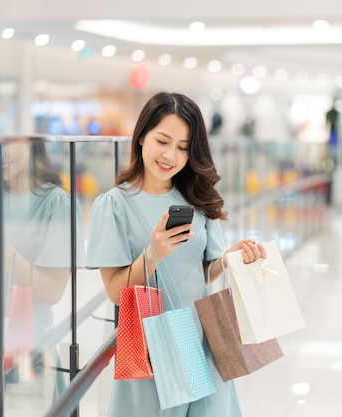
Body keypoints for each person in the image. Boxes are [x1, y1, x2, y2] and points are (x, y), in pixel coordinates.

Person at [85, 92, 266, 417]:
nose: (171, 155)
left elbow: (203, 270)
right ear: (141, 137)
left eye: (183, 147)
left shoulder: (198, 199)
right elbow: (115, 291)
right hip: (151, 345)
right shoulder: (113, 205)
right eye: (163, 141)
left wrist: (227, 258)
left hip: (204, 337)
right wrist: (153, 253)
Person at [0, 140, 82, 402]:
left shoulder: (57, 204)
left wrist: (4, 253)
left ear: (31, 139)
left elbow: (52, 291)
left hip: (27, 346)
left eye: (7, 142)